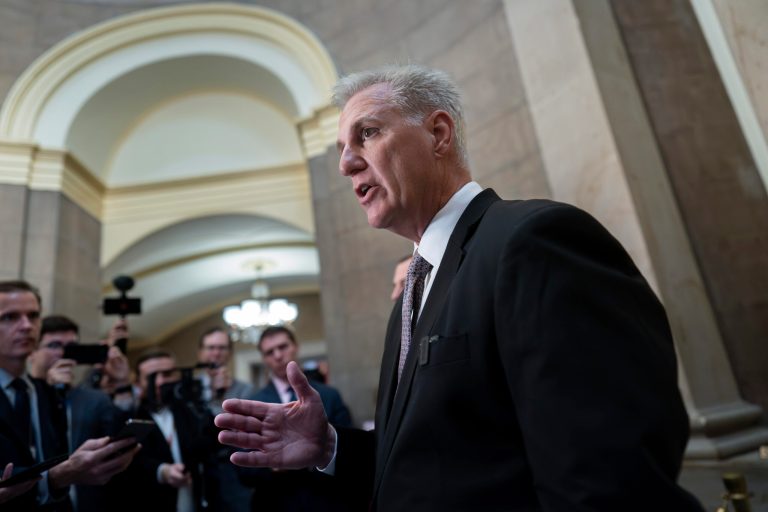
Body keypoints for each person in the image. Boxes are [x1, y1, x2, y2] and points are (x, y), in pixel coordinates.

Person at [215, 65, 705, 511]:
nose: (346, 164)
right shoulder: (410, 293)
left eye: (367, 134)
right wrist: (329, 447)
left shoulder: (534, 242)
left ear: (438, 133)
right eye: (344, 148)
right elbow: (441, 464)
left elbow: (606, 477)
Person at [0, 280, 138, 511]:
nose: (26, 325)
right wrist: (61, 475)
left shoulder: (45, 393)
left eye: (33, 316)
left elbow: (54, 457)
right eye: (9, 317)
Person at [236, 326, 353, 512]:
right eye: (269, 352)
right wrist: (273, 465)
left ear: (295, 346)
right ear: (264, 359)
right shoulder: (254, 403)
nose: (277, 355)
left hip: (327, 500)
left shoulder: (329, 395)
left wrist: (318, 454)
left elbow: (349, 451)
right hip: (276, 502)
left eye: (283, 347)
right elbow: (244, 471)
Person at [27, 315, 126, 511]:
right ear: (32, 353)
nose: (63, 353)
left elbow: (120, 441)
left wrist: (121, 384)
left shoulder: (94, 399)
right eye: (54, 345)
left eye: (71, 346)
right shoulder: (20, 396)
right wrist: (48, 391)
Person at [115, 350, 217, 512]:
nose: (160, 382)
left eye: (167, 374)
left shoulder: (192, 411)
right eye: (151, 377)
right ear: (139, 383)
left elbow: (213, 447)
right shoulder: (129, 417)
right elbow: (130, 464)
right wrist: (162, 471)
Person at [196, 327, 254, 512]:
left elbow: (244, 431)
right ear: (201, 352)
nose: (216, 353)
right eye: (211, 347)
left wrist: (221, 397)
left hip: (234, 473)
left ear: (229, 353)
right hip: (198, 472)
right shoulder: (190, 389)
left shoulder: (245, 390)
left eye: (221, 348)